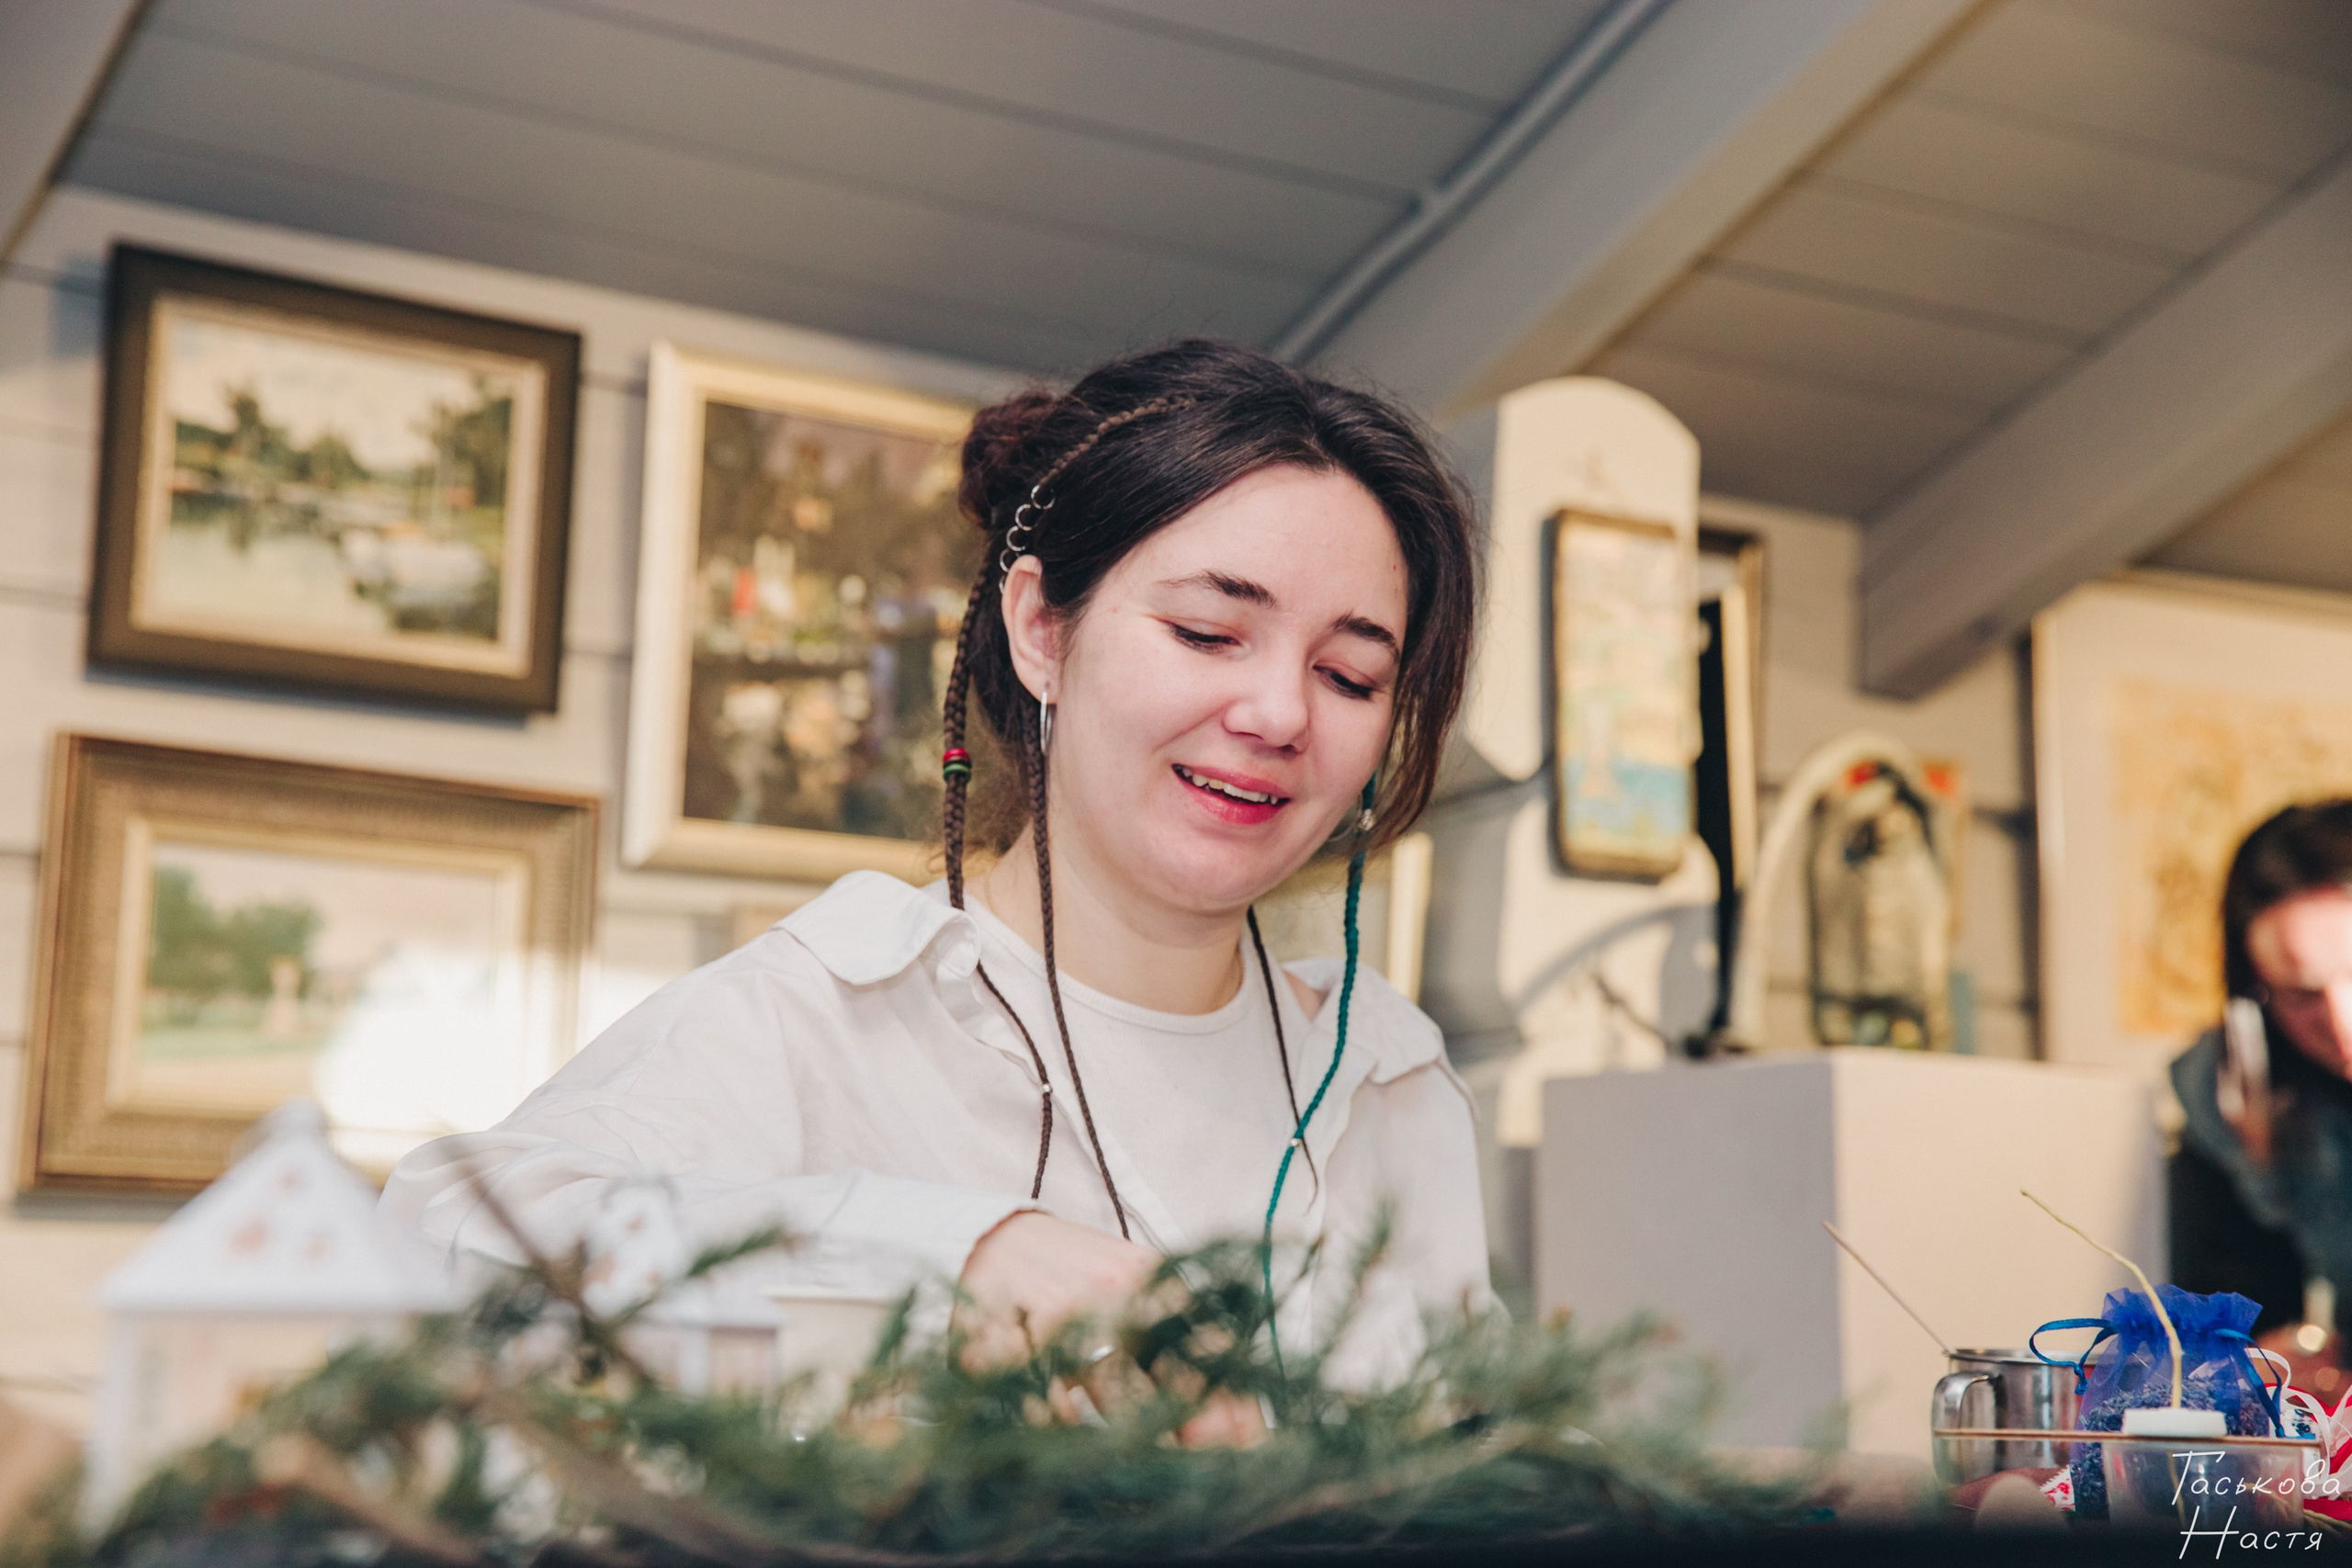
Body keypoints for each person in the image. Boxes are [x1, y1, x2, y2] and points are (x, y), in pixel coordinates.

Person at [381, 339, 1490, 1397]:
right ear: (1041, 628)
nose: (1280, 714)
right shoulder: (837, 1010)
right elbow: (443, 1236)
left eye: (1349, 676)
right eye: (1207, 633)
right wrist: (957, 1252)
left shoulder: (1386, 1079)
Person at [2171, 801, 2352, 1345]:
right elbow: (2237, 1308)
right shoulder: (2227, 1089)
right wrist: (2284, 1351)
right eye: (2301, 995)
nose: (2343, 1024)